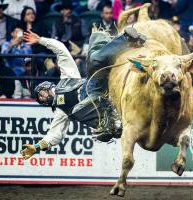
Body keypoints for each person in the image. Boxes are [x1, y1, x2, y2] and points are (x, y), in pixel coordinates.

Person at [20, 27, 146, 159]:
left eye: (41, 93)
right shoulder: (60, 111)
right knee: (77, 110)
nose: (42, 97)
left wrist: (41, 40)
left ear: (47, 87)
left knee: (95, 53)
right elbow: (54, 135)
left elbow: (62, 51)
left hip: (94, 86)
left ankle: (131, 44)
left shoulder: (67, 77)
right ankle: (109, 125)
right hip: (96, 105)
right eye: (40, 98)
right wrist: (36, 147)